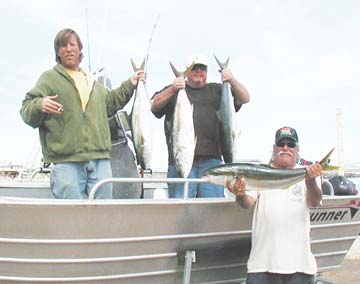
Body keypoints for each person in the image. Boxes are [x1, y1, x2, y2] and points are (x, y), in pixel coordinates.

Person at [20, 28, 145, 199]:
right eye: (63, 46)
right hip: (66, 162)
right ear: (58, 52)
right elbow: (26, 110)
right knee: (71, 217)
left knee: (102, 215)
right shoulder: (49, 78)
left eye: (72, 45)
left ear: (80, 50)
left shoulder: (93, 82)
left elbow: (111, 103)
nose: (69, 49)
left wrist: (131, 83)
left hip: (100, 160)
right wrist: (39, 104)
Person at [227, 126, 323, 284]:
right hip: (261, 265)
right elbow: (247, 203)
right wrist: (240, 193)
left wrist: (311, 181)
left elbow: (314, 202)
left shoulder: (307, 173)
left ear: (297, 150)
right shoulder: (259, 172)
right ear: (274, 148)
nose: (285, 148)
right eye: (281, 144)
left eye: (290, 144)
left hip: (300, 266)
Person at [151, 54, 250, 198]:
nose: (199, 71)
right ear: (186, 71)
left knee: (212, 209)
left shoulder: (218, 90)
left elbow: (245, 98)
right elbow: (154, 106)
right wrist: (173, 88)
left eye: (202, 68)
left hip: (212, 162)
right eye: (194, 68)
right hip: (181, 161)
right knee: (180, 208)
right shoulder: (175, 90)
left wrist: (232, 80)